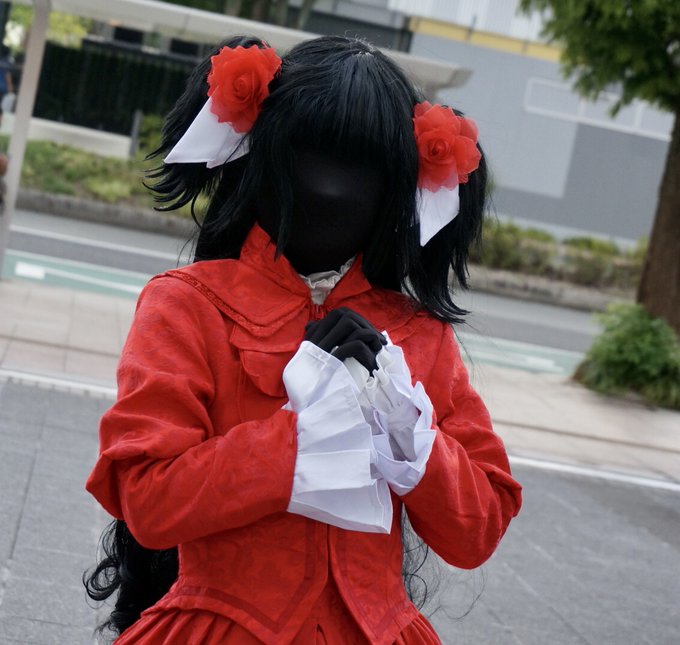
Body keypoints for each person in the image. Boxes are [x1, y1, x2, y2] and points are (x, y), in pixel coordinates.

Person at [84, 35, 522, 644]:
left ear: (398, 184)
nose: (332, 188)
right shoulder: (188, 305)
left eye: (362, 165)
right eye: (309, 153)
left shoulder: (421, 336)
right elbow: (149, 501)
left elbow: (477, 532)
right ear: (262, 153)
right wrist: (296, 438)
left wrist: (406, 425)